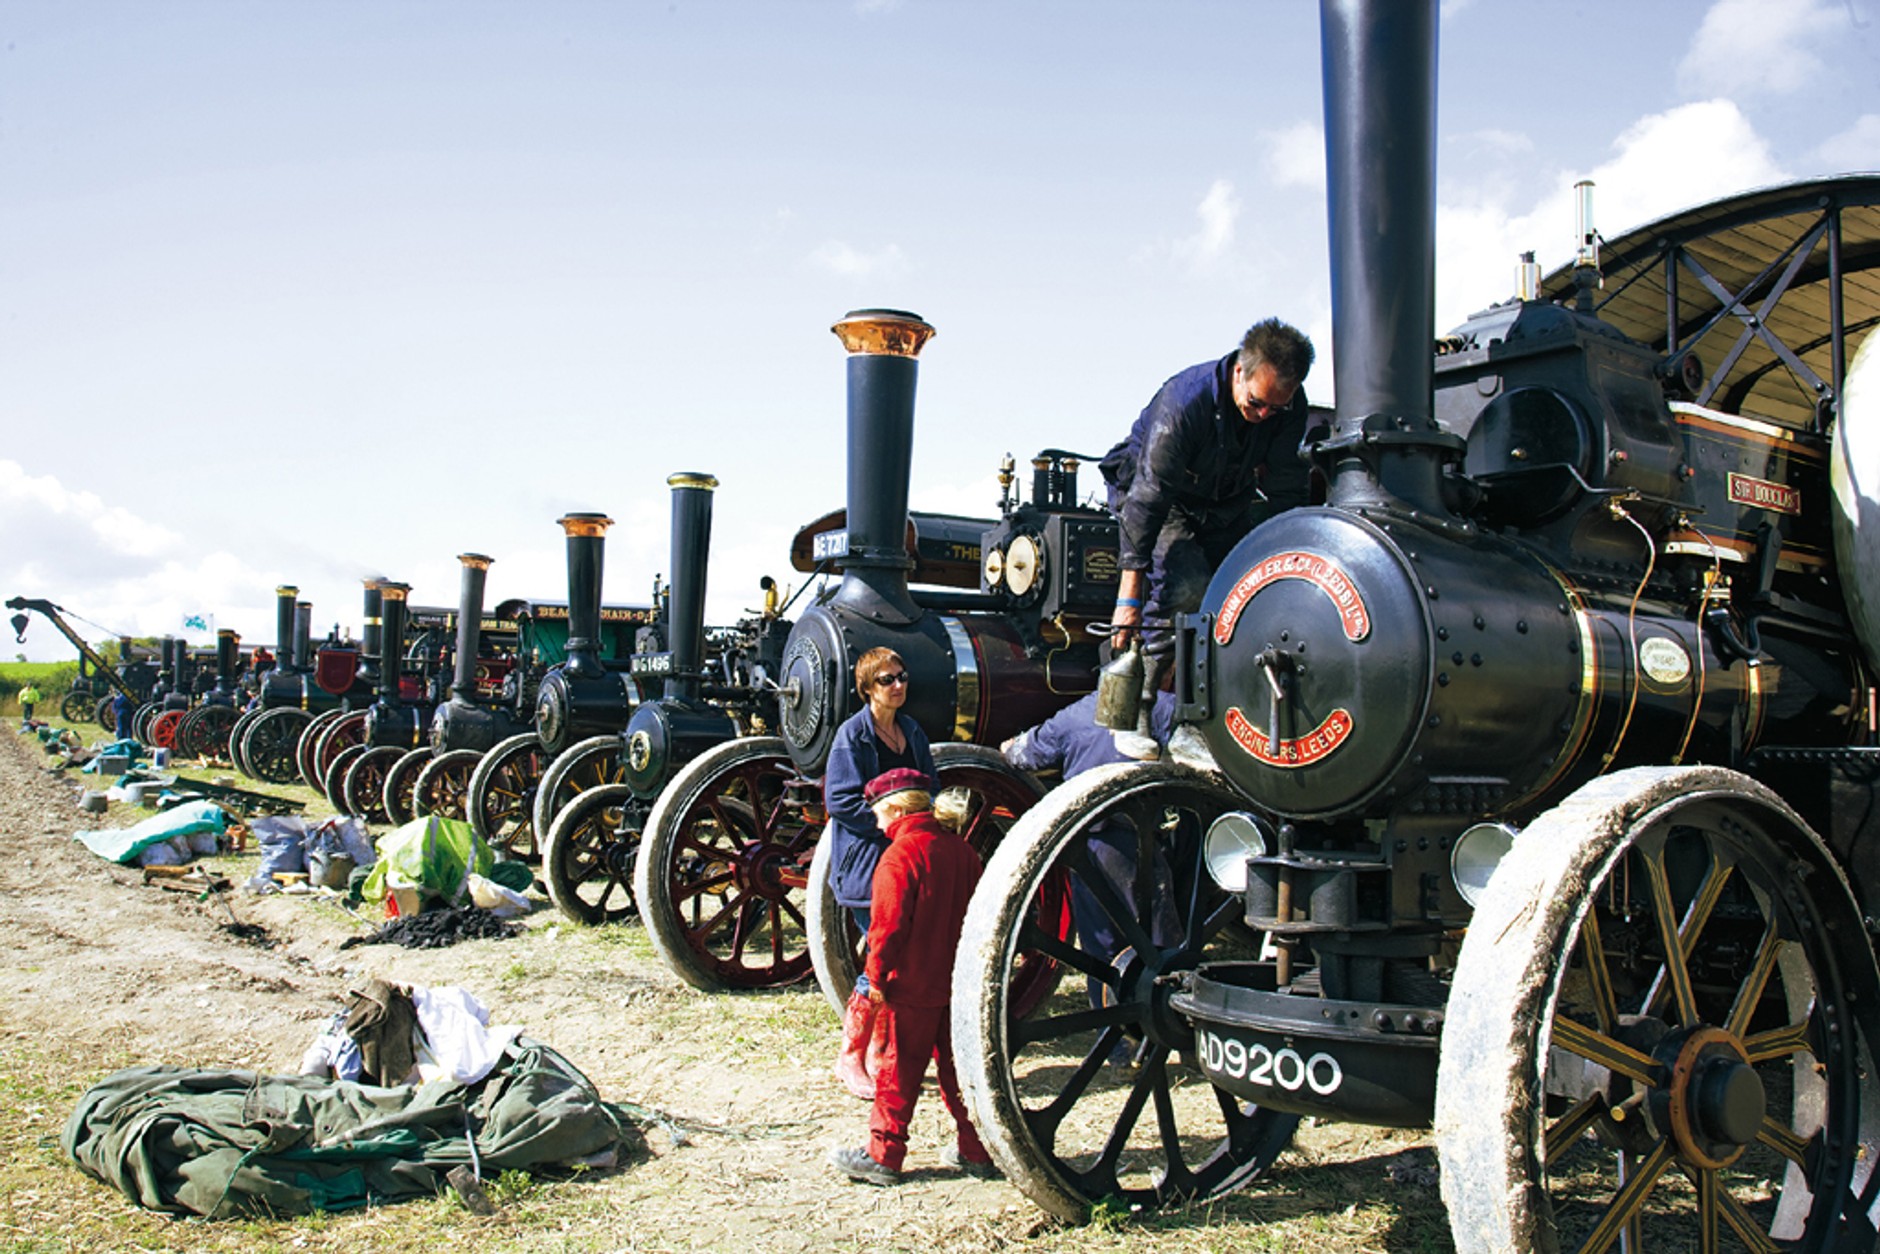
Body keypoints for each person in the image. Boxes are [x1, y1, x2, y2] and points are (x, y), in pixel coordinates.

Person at [1098, 318, 1315, 759]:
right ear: (1239, 372)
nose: (1264, 417)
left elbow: (1286, 488)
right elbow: (1149, 496)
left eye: (1276, 409)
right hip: (1160, 496)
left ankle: (1191, 727)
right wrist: (1129, 590)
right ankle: (1133, 714)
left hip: (1224, 503)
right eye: (1256, 404)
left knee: (1234, 595)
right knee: (1186, 588)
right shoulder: (1186, 400)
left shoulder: (1286, 409)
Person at [828, 768, 997, 1185]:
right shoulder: (961, 851)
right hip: (955, 985)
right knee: (958, 1073)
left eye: (880, 813)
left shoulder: (899, 857)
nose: (878, 822)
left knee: (896, 1074)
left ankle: (884, 1155)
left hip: (910, 987)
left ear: (898, 808)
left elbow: (885, 932)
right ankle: (975, 1149)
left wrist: (877, 983)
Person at [1003, 690, 1181, 1018]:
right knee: (1161, 945)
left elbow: (1022, 755)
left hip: (1085, 848)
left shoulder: (1074, 714)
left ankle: (1113, 1040)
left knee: (1101, 952)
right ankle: (1170, 1019)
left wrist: (1011, 746)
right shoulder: (1165, 707)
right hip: (1136, 843)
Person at [823, 646, 936, 1100]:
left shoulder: (912, 731)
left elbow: (931, 784)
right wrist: (890, 823)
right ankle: (851, 1056)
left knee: (902, 959)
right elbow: (841, 801)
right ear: (867, 688)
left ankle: (879, 1051)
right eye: (887, 679)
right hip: (869, 863)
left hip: (906, 859)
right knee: (881, 957)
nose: (898, 685)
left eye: (902, 676)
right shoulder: (852, 737)